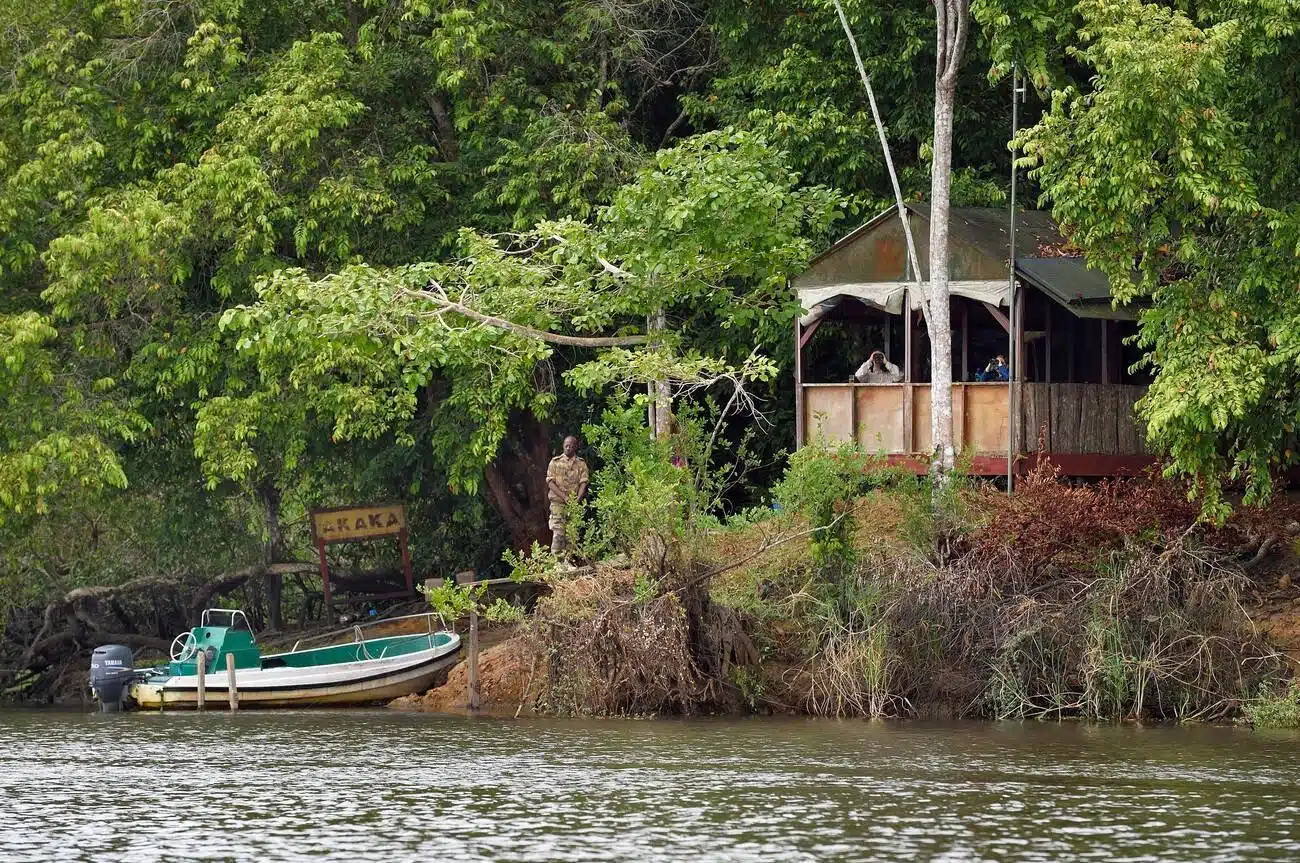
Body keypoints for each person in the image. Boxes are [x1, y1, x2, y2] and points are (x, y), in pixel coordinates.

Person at [546, 435, 589, 558]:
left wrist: (577, 500)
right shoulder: (555, 462)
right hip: (558, 502)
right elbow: (550, 482)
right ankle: (557, 562)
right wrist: (564, 497)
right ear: (563, 446)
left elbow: (583, 483)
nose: (568, 448)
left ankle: (569, 561)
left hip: (574, 504)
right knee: (559, 531)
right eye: (566, 445)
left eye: (571, 446)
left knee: (572, 533)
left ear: (575, 447)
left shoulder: (581, 464)